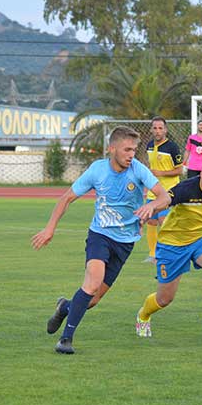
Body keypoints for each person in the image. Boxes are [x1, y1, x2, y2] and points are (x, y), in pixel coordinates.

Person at [31, 126, 170, 354]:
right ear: (112, 149)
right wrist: (49, 229)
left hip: (125, 242)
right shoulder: (97, 170)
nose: (131, 155)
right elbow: (66, 198)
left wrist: (152, 205)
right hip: (100, 235)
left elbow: (164, 197)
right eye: (126, 150)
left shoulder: (138, 169)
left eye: (134, 150)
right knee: (92, 282)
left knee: (92, 300)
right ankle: (65, 340)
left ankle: (64, 308)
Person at [135, 155, 202, 342]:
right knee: (164, 299)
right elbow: (165, 200)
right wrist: (150, 209)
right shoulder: (186, 188)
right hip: (173, 244)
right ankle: (143, 315)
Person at [144, 116, 184, 263]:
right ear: (151, 129)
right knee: (151, 221)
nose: (157, 131)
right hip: (153, 190)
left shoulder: (172, 147)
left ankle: (169, 253)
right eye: (155, 128)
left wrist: (161, 173)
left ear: (165, 130)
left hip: (168, 191)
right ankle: (152, 255)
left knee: (163, 221)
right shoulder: (149, 146)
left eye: (160, 128)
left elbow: (179, 170)